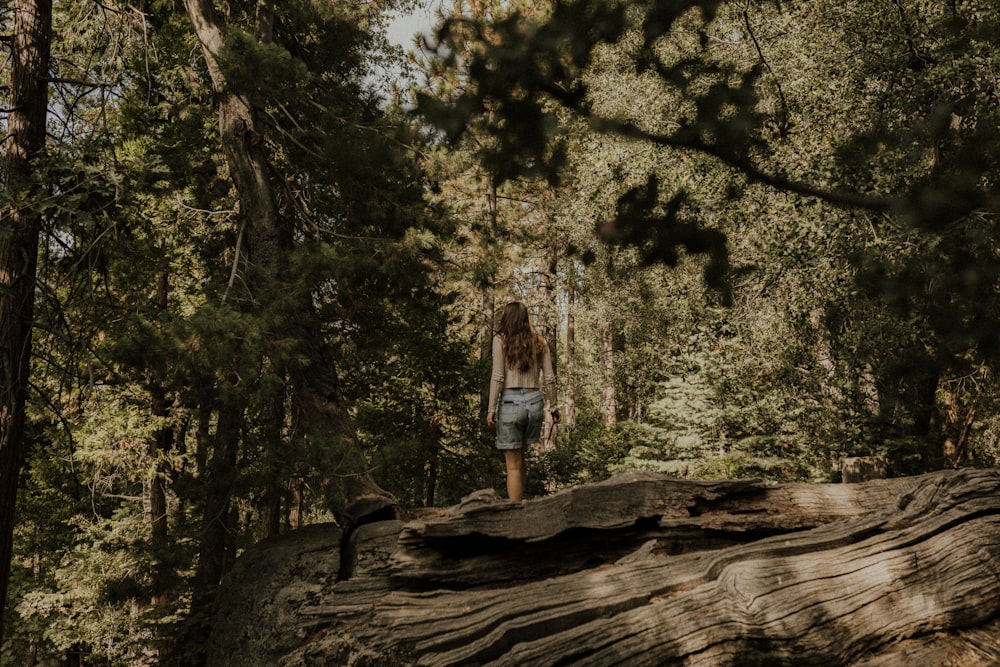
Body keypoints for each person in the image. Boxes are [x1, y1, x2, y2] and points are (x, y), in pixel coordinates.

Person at [487, 301, 560, 502]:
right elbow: (549, 378)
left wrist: (491, 408)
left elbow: (498, 376)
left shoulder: (500, 340)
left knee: (513, 465)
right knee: (521, 459)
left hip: (510, 403)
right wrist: (553, 406)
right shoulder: (539, 341)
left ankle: (515, 513)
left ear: (506, 318)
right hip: (534, 402)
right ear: (525, 318)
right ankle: (522, 508)